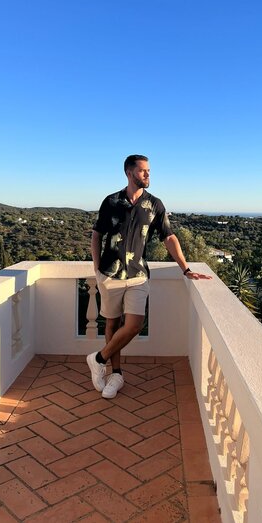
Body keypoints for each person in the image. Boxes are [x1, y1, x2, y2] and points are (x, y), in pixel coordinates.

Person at [87, 154, 212, 398]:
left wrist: (186, 269)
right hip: (110, 274)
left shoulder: (155, 204)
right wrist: (97, 267)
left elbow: (169, 237)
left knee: (134, 325)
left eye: (149, 171)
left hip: (138, 275)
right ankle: (116, 374)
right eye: (143, 170)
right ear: (129, 172)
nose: (147, 174)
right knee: (112, 324)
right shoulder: (111, 201)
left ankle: (98, 359)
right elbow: (96, 234)